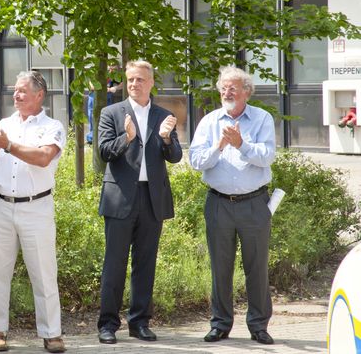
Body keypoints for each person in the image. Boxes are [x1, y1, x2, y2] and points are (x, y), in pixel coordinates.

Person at [0, 70, 67, 353]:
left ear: (39, 95)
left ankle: (52, 334)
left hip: (36, 207)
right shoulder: (3, 124)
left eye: (22, 90)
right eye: (15, 90)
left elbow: (42, 158)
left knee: (43, 271)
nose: (16, 95)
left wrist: (8, 145)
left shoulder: (53, 126)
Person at [96, 60, 182, 344]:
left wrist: (167, 138)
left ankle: (139, 322)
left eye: (140, 80)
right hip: (120, 197)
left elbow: (175, 157)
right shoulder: (111, 112)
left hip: (151, 198)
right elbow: (103, 152)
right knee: (114, 264)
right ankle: (107, 324)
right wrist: (127, 138)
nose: (134, 84)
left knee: (145, 264)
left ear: (151, 83)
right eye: (130, 80)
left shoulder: (164, 115)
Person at [189, 66, 276, 345]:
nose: (227, 92)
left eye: (233, 87)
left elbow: (267, 156)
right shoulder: (210, 121)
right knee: (220, 266)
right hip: (218, 203)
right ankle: (220, 324)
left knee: (257, 267)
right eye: (223, 87)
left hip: (254, 203)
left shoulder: (262, 119)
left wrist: (241, 145)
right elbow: (196, 161)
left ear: (246, 92)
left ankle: (258, 326)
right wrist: (219, 146)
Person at [86, 66, 123, 144]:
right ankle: (92, 140)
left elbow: (123, 83)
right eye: (110, 69)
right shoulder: (96, 73)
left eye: (114, 69)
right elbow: (92, 86)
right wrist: (109, 89)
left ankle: (106, 139)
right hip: (94, 98)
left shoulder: (114, 75)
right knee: (93, 119)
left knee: (108, 119)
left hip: (108, 99)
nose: (111, 71)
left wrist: (116, 87)